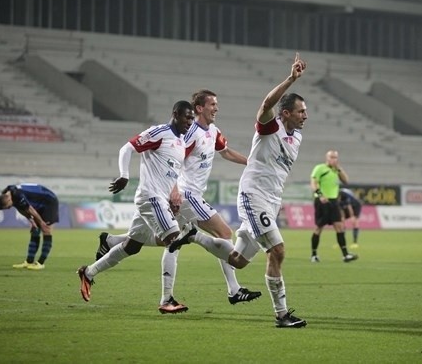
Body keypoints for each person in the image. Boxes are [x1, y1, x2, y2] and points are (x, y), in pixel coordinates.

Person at [169, 53, 309, 328]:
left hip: (271, 201)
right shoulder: (271, 127)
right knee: (278, 250)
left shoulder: (298, 136)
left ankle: (194, 236)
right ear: (285, 113)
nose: (306, 115)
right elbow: (266, 104)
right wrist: (290, 79)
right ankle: (281, 315)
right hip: (253, 196)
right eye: (301, 111)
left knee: (238, 260)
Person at [96, 90, 261, 312]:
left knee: (161, 239)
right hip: (186, 194)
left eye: (217, 104)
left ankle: (113, 242)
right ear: (199, 108)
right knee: (222, 233)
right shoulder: (188, 133)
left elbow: (226, 152)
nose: (216, 108)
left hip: (190, 194)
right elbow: (173, 162)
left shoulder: (213, 131)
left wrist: (251, 163)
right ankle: (233, 289)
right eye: (212, 104)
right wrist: (174, 189)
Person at [77, 100, 195, 309]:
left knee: (132, 247)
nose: (190, 121)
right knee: (174, 240)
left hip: (159, 198)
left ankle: (88, 272)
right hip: (151, 197)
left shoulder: (181, 141)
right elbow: (127, 148)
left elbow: (169, 173)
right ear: (175, 114)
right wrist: (124, 175)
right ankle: (167, 300)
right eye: (187, 116)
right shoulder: (159, 133)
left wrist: (172, 194)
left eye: (192, 117)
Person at [0, 184, 59, 270]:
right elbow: (21, 208)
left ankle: (41, 263)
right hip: (39, 202)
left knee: (46, 229)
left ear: (9, 199)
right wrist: (32, 221)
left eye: (8, 206)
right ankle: (29, 261)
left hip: (49, 201)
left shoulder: (17, 195)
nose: (9, 208)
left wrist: (41, 222)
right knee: (35, 230)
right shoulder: (8, 193)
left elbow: (30, 209)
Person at [309, 150, 358, 263]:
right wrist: (320, 195)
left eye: (336, 157)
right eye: (332, 157)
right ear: (327, 158)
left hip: (334, 201)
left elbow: (346, 180)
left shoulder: (336, 170)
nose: (334, 159)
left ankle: (345, 255)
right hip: (322, 201)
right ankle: (314, 254)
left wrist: (339, 168)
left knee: (339, 226)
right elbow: (313, 182)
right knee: (319, 227)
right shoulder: (320, 168)